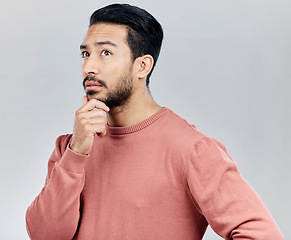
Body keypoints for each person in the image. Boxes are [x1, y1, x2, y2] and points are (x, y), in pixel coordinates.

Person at [26, 3, 284, 240]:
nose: (89, 67)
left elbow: (262, 234)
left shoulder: (193, 150)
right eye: (85, 53)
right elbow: (45, 235)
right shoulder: (70, 148)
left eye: (105, 52)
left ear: (142, 66)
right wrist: (76, 154)